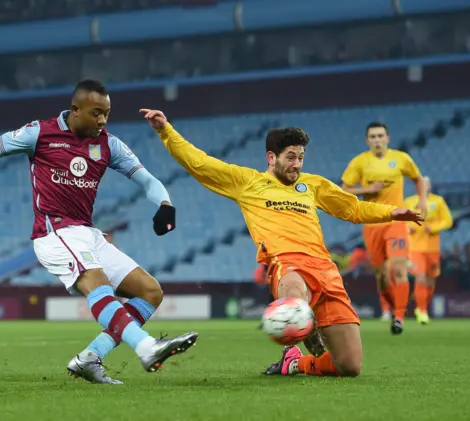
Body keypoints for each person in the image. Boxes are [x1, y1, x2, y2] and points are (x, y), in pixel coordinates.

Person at [0, 80, 198, 385]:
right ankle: (148, 347)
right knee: (98, 283)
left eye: (107, 113)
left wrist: (165, 204)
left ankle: (90, 358)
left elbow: (148, 181)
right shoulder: (39, 133)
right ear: (75, 110)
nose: (102, 121)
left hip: (87, 233)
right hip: (54, 233)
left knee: (150, 292)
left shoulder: (110, 145)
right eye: (96, 113)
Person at [139, 108, 423, 378]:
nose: (297, 164)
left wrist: (391, 212)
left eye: (300, 157)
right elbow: (199, 163)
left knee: (349, 366)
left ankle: (295, 363)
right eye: (291, 157)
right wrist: (166, 131)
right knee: (295, 293)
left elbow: (353, 209)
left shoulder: (313, 185)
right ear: (271, 158)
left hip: (327, 270)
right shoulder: (247, 183)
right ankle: (300, 319)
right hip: (286, 264)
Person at [341, 122, 427, 334]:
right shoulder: (360, 163)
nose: (377, 140)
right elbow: (344, 189)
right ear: (367, 140)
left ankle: (399, 317)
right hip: (372, 223)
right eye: (373, 136)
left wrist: (422, 200)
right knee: (381, 276)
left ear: (387, 138)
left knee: (398, 268)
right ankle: (391, 307)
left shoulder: (401, 159)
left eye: (380, 136)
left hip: (396, 222)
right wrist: (369, 189)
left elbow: (418, 179)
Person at [405, 176, 453, 324]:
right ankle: (422, 311)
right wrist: (408, 228)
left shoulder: (438, 201)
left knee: (431, 281)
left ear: (430, 187)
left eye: (426, 185)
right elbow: (399, 221)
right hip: (414, 248)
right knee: (420, 277)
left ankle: (422, 305)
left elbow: (448, 220)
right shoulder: (409, 202)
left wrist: (432, 227)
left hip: (432, 248)